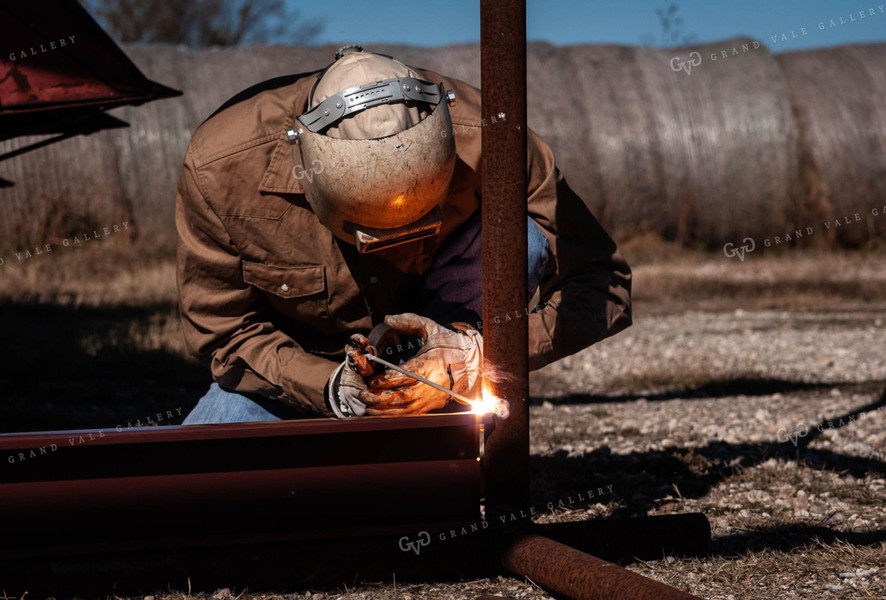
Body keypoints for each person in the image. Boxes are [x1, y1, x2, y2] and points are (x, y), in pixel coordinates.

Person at [176, 46, 631, 423]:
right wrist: (327, 387)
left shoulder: (494, 137)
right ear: (307, 175)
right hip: (300, 377)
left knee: (521, 238)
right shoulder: (221, 169)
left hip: (445, 366)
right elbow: (223, 332)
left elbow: (601, 283)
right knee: (199, 487)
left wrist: (476, 356)